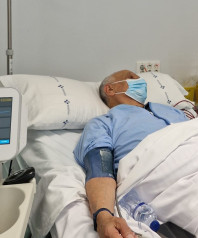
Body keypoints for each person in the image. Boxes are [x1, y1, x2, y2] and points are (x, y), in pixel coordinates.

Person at [73, 69, 189, 238]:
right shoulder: (103, 123)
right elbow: (100, 168)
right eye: (131, 77)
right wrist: (104, 217)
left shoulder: (173, 111)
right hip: (164, 174)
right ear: (110, 89)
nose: (140, 81)